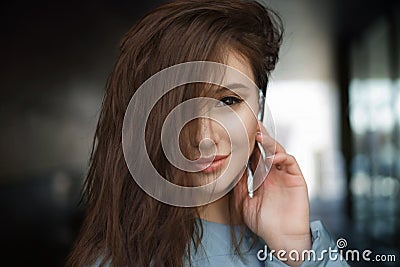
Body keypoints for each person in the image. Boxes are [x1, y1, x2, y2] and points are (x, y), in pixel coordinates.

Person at [66, 0, 349, 266]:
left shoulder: (297, 245)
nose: (204, 137)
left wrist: (296, 248)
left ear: (258, 111)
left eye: (228, 101)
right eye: (179, 107)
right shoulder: (119, 259)